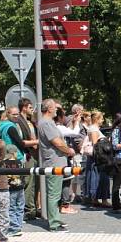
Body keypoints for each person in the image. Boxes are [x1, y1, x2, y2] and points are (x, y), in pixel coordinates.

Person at [38, 98, 75, 232]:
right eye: (55, 107)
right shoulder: (46, 123)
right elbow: (57, 142)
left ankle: (55, 219)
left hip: (56, 160)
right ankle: (53, 223)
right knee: (53, 193)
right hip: (53, 162)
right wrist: (69, 150)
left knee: (55, 192)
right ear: (49, 109)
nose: (57, 110)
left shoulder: (47, 122)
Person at [15, 99, 39, 219]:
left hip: (34, 154)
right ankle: (29, 210)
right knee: (29, 183)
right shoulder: (19, 121)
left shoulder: (31, 121)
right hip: (27, 154)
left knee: (36, 183)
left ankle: (34, 207)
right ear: (24, 107)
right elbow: (21, 141)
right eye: (30, 107)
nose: (32, 109)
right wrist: (37, 142)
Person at [4, 144, 26, 237]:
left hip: (11, 189)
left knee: (11, 208)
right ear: (14, 153)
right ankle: (19, 226)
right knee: (20, 208)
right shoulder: (20, 162)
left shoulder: (5, 163)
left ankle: (14, 228)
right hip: (20, 188)